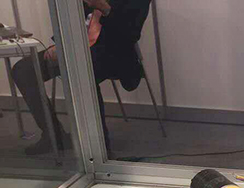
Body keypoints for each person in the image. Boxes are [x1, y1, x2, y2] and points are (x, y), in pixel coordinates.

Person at [11, 0, 151, 155]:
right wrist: (62, 46)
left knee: (82, 68)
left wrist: (104, 8)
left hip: (113, 52)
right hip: (78, 47)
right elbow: (69, 21)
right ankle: (54, 135)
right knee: (23, 70)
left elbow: (130, 34)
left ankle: (99, 148)